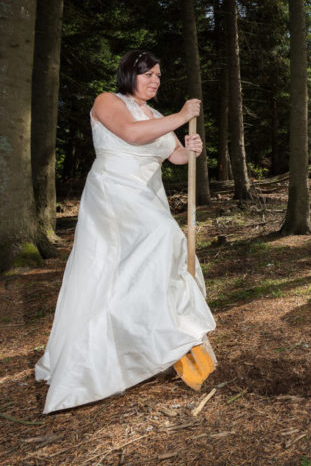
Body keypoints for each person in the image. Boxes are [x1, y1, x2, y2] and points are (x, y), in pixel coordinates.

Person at [35, 50, 216, 414]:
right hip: (115, 190)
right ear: (128, 74)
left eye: (158, 76)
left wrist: (190, 149)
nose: (154, 80)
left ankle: (138, 334)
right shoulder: (108, 101)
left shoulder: (157, 115)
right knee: (165, 239)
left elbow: (174, 155)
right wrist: (181, 117)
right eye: (147, 73)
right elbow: (132, 135)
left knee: (139, 263)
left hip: (146, 194)